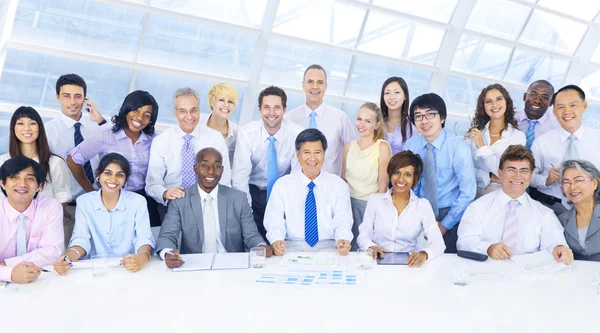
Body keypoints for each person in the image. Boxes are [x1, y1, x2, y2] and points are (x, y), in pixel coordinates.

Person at [155, 148, 271, 268]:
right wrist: (168, 253)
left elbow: (251, 235)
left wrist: (260, 246)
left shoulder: (238, 198)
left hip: (232, 264)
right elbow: (167, 235)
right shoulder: (180, 200)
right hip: (194, 265)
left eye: (217, 166)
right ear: (195, 169)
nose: (211, 171)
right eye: (204, 165)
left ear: (222, 170)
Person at [457, 145, 573, 263]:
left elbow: (554, 242)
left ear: (530, 175)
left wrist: (559, 249)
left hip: (528, 276)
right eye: (511, 170)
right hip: (487, 273)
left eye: (524, 171)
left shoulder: (544, 213)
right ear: (500, 173)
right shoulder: (477, 207)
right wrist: (488, 248)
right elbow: (464, 242)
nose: (517, 176)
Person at [66, 90, 161, 227]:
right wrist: (91, 191)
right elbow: (73, 160)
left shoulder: (155, 140)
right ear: (126, 108)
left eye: (146, 115)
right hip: (110, 198)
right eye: (135, 110)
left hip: (144, 200)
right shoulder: (105, 135)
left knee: (147, 241)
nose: (139, 118)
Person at [53, 153, 154, 274]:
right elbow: (81, 240)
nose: (113, 179)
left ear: (126, 179)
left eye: (120, 175)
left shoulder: (137, 202)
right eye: (107, 173)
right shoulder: (84, 202)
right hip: (95, 270)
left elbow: (144, 238)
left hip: (129, 267)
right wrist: (67, 259)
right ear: (98, 174)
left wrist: (141, 258)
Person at [403, 93, 476, 253]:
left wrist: (444, 225)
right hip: (418, 212)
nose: (424, 121)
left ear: (442, 118)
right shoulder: (411, 145)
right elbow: (408, 184)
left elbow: (468, 192)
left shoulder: (458, 148)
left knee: (446, 265)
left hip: (450, 214)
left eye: (430, 114)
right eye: (418, 116)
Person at [145, 87, 231, 219]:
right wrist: (165, 193)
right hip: (173, 205)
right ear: (175, 113)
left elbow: (225, 180)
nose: (189, 116)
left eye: (193, 110)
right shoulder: (161, 141)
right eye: (182, 111)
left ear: (199, 110)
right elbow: (152, 184)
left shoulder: (215, 138)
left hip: (208, 204)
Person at [264, 129, 353, 255]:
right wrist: (276, 239)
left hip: (329, 247)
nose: (312, 158)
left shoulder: (338, 185)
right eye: (306, 153)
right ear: (297, 154)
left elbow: (342, 218)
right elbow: (274, 218)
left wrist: (343, 238)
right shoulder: (282, 185)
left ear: (324, 154)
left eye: (317, 153)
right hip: (290, 247)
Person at [45, 74, 109, 247]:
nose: (72, 101)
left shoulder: (100, 125)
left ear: (85, 99)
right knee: (68, 256)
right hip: (69, 208)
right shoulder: (48, 132)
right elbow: (46, 171)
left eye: (78, 96)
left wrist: (102, 121)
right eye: (66, 96)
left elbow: (118, 150)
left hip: (101, 202)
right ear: (58, 97)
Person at [232, 86, 303, 239]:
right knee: (254, 242)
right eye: (266, 107)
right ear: (259, 109)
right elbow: (240, 177)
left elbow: (297, 177)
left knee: (281, 241)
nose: (271, 113)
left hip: (283, 192)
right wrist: (246, 212)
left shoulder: (297, 135)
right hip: (253, 192)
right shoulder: (247, 133)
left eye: (277, 108)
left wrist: (289, 208)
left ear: (284, 109)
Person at [357, 151, 445, 267]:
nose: (400, 179)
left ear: (415, 178)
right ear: (390, 174)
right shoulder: (375, 201)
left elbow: (438, 244)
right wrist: (370, 246)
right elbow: (363, 234)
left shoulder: (422, 205)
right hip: (376, 263)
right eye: (397, 172)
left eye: (408, 174)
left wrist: (424, 254)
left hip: (409, 265)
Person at [531, 85, 600, 215]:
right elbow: (528, 176)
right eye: (561, 107)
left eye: (573, 105)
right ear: (554, 111)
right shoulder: (542, 142)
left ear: (584, 106)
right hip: (549, 208)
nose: (567, 111)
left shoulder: (597, 139)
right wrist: (547, 180)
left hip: (591, 209)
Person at [0, 156, 63, 283]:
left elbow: (52, 251)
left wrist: (6, 264)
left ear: (39, 186)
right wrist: (10, 273)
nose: (22, 184)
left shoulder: (50, 207)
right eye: (15, 177)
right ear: (2, 183)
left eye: (30, 178)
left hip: (40, 279)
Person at [285, 64, 354, 176]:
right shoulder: (289, 119)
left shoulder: (341, 118)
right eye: (310, 82)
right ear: (303, 85)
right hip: (296, 185)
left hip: (329, 186)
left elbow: (352, 155)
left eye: (320, 82)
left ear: (326, 86)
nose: (315, 86)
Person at [341, 102, 392, 249]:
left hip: (369, 207)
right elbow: (343, 179)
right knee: (347, 249)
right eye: (359, 119)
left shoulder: (382, 147)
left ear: (377, 125)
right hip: (347, 206)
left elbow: (383, 186)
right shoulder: (348, 147)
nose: (361, 124)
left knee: (367, 249)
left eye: (367, 121)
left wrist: (374, 214)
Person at [0, 106, 71, 204]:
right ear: (13, 128)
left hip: (46, 218)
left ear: (40, 128)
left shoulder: (55, 162)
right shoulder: (2, 162)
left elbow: (62, 197)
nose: (27, 128)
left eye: (32, 123)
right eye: (20, 123)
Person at [465, 84, 526, 197]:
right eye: (488, 101)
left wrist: (482, 146)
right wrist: (488, 176)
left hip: (501, 195)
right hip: (471, 192)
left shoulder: (518, 137)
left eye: (499, 99)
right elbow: (464, 167)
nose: (494, 105)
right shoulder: (474, 134)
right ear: (483, 107)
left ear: (506, 102)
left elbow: (508, 173)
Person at [557, 160, 600, 261]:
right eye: (566, 182)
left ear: (594, 183)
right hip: (576, 274)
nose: (572, 187)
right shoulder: (561, 220)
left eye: (578, 180)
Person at [201, 83, 240, 163]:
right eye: (221, 100)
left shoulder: (237, 134)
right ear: (212, 101)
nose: (226, 105)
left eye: (230, 101)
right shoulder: (196, 122)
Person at [516, 80, 559, 149]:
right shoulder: (510, 118)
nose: (537, 100)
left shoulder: (556, 127)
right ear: (524, 97)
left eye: (545, 97)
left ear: (551, 103)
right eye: (533, 94)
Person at [380, 76, 414, 154]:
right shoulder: (376, 122)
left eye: (397, 92)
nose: (392, 97)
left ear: (405, 96)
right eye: (387, 93)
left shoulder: (413, 127)